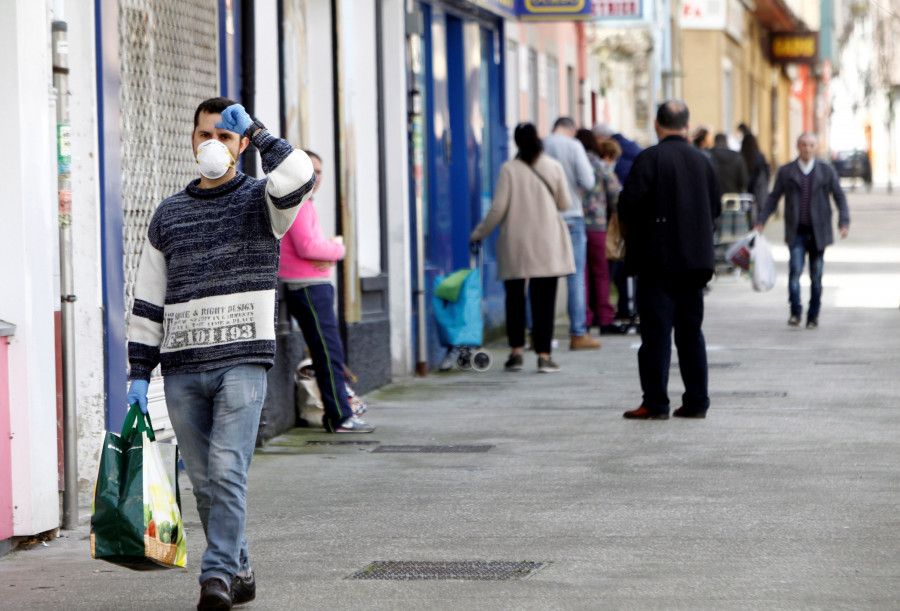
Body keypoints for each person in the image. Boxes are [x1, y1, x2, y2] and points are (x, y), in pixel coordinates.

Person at [125, 97, 316, 609]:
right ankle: (241, 566)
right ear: (192, 141)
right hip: (183, 369)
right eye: (205, 135)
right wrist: (139, 375)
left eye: (224, 136)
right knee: (207, 483)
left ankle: (215, 578)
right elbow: (148, 299)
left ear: (240, 145)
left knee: (228, 470)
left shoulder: (263, 202)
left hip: (242, 362)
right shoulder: (168, 215)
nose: (213, 144)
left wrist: (256, 129)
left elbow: (300, 173)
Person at [618, 100, 721, 420]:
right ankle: (696, 401)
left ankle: (655, 402)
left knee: (656, 334)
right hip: (695, 262)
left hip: (657, 261)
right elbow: (715, 208)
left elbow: (629, 205)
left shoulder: (650, 158)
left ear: (656, 125)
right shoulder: (704, 162)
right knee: (691, 333)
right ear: (687, 126)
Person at [279, 151, 373, 433]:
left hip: (311, 285)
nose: (316, 177)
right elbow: (308, 248)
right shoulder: (297, 202)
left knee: (328, 350)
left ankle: (340, 414)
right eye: (310, 170)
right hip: (308, 286)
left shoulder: (300, 202)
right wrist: (338, 249)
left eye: (319, 172)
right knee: (327, 351)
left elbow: (311, 247)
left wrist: (326, 251)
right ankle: (339, 417)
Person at [470, 123, 575, 373]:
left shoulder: (509, 169)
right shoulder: (553, 166)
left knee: (515, 299)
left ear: (516, 142)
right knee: (544, 302)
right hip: (547, 242)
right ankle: (544, 355)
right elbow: (565, 203)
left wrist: (478, 234)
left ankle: (516, 353)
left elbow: (498, 209)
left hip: (515, 242)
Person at [755, 132, 850, 328]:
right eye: (803, 145)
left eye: (811, 145)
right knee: (795, 271)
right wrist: (761, 220)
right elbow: (774, 197)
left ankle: (813, 315)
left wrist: (844, 221)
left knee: (816, 276)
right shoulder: (787, 172)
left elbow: (839, 197)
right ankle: (795, 312)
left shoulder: (826, 171)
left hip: (819, 232)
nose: (807, 148)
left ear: (816, 147)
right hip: (796, 231)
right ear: (798, 147)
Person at [543, 117, 601, 350]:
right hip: (571, 216)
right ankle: (578, 333)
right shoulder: (574, 146)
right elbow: (588, 181)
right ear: (572, 129)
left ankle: (535, 333)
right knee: (576, 277)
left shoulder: (541, 144)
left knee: (538, 275)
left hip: (544, 218)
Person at [574, 128, 622, 335]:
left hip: (574, 224)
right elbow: (616, 194)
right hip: (598, 226)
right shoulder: (601, 166)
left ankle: (582, 319)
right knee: (601, 273)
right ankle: (604, 319)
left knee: (579, 275)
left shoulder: (570, 165)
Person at [593, 122, 642, 324]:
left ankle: (623, 308)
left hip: (611, 219)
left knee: (612, 266)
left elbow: (614, 194)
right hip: (633, 214)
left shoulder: (611, 160)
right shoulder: (634, 150)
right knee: (626, 264)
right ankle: (629, 307)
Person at [738, 130, 770, 222]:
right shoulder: (759, 156)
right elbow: (766, 173)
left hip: (745, 190)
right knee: (756, 215)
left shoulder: (740, 156)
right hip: (757, 190)